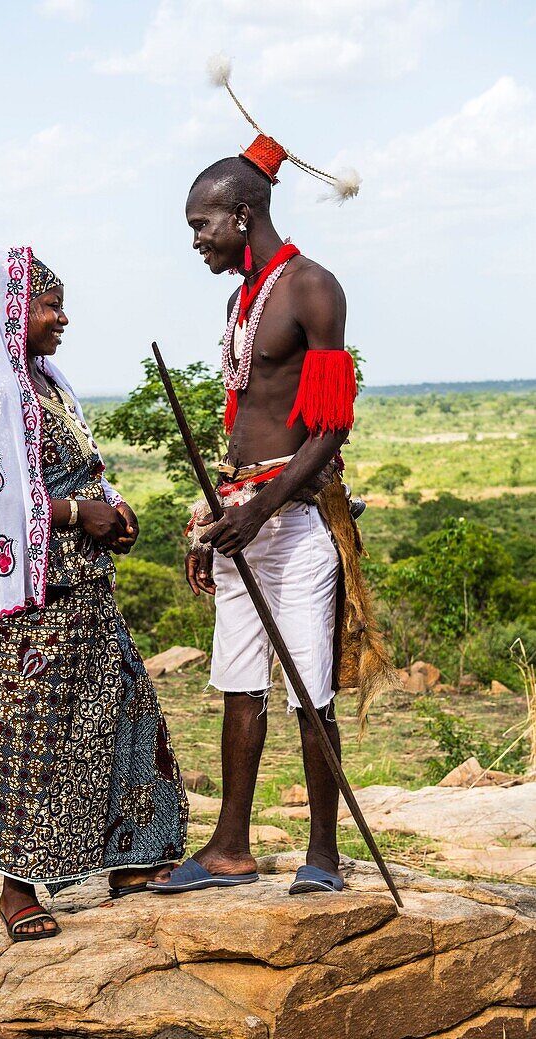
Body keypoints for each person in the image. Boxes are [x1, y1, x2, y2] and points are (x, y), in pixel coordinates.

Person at [149, 62, 393, 898]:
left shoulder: (311, 288)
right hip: (241, 514)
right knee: (236, 682)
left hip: (291, 523)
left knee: (308, 689)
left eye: (201, 224)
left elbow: (328, 428)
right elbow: (246, 417)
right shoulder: (240, 302)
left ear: (240, 214)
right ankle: (229, 849)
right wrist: (225, 508)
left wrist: (262, 513)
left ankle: (323, 854)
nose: (196, 241)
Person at [0, 244, 188, 940]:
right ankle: (18, 888)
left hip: (86, 587)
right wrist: (80, 515)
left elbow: (77, 470)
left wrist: (113, 509)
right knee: (33, 730)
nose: (62, 318)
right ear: (8, 311)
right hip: (30, 601)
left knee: (123, 708)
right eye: (49, 304)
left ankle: (130, 856)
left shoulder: (45, 382)